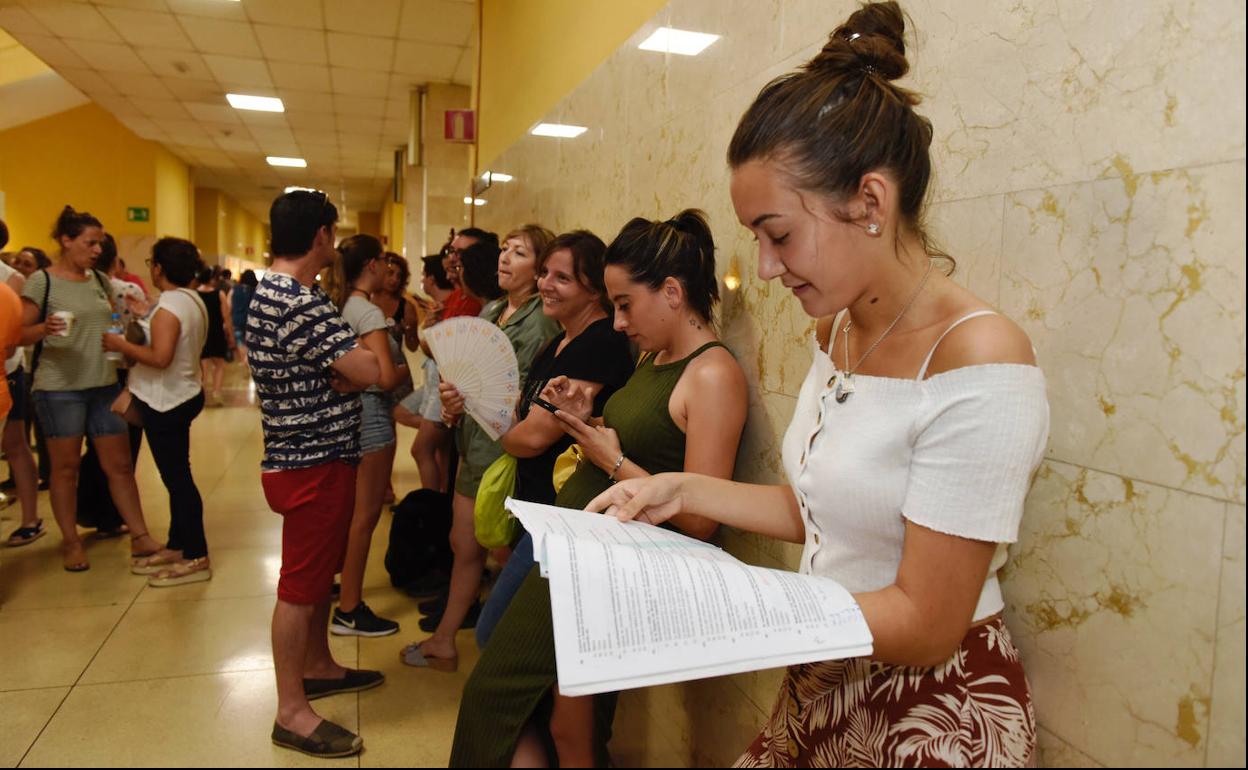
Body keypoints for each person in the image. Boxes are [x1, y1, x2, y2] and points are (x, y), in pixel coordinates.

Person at [590, 4, 1050, 766]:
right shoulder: (835, 331)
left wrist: (735, 607)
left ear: (870, 202)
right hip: (825, 671)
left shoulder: (979, 356)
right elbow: (827, 512)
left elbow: (928, 620)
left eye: (778, 235)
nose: (766, 269)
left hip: (932, 708)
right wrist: (681, 490)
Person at [448, 213, 748, 768]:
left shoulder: (712, 375)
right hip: (576, 545)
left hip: (604, 565)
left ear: (674, 293)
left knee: (501, 697)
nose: (617, 322)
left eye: (626, 304)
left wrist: (613, 462)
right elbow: (638, 439)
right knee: (550, 716)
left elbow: (704, 519)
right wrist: (586, 414)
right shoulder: (654, 357)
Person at [247, 190, 380, 758]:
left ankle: (318, 665)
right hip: (312, 460)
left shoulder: (271, 292)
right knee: (299, 588)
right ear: (323, 236)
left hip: (306, 453)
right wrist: (357, 365)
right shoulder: (298, 300)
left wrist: (346, 373)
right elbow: (370, 368)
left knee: (316, 575)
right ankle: (291, 711)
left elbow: (348, 372)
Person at [401, 226, 571, 671]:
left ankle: (477, 644)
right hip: (473, 442)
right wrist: (454, 403)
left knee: (487, 546)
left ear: (540, 272)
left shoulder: (541, 322)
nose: (504, 259)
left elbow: (514, 394)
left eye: (519, 253)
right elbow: (473, 381)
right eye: (504, 250)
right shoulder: (493, 309)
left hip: (505, 451)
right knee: (466, 543)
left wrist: (477, 400)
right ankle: (452, 638)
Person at [18, 206, 161, 572]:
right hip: (59, 388)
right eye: (90, 242)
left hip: (103, 386)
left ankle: (141, 535)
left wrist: (128, 325)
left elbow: (112, 321)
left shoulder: (99, 281)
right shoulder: (42, 282)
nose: (98, 250)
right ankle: (70, 541)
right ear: (66, 241)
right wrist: (44, 330)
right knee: (65, 469)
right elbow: (18, 333)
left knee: (120, 465)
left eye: (100, 243)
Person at [103, 238, 212, 586]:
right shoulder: (190, 299)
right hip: (183, 392)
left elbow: (161, 357)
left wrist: (121, 344)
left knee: (178, 479)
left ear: (159, 268)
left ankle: (195, 554)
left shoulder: (170, 308)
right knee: (177, 476)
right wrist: (146, 311)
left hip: (168, 400)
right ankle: (179, 544)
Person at [327, 234, 410, 637]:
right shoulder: (368, 313)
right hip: (373, 418)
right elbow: (383, 375)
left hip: (344, 415)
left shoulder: (337, 304)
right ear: (372, 265)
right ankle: (349, 608)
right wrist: (407, 369)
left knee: (347, 512)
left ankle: (336, 584)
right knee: (365, 517)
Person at [406, 231, 492, 496]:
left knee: (426, 450)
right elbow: (429, 344)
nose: (453, 259)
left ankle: (432, 508)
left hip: (463, 398)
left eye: (460, 254)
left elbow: (439, 349)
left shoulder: (478, 303)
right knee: (445, 456)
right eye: (451, 252)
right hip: (446, 391)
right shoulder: (458, 296)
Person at [394, 254, 455, 492]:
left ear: (431, 278)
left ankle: (430, 506)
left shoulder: (449, 306)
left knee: (421, 449)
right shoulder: (437, 305)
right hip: (433, 380)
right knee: (438, 450)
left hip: (440, 381)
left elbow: (431, 348)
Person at [196, 265, 234, 406]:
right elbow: (226, 317)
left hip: (201, 334)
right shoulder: (219, 294)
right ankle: (217, 392)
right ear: (212, 279)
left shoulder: (195, 294)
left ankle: (202, 395)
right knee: (219, 365)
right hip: (217, 333)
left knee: (203, 366)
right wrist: (230, 336)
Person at [229, 269, 257, 366]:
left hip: (237, 319)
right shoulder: (256, 290)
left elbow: (229, 305)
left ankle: (244, 359)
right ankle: (248, 360)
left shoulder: (235, 289)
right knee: (249, 341)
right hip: (251, 321)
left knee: (240, 341)